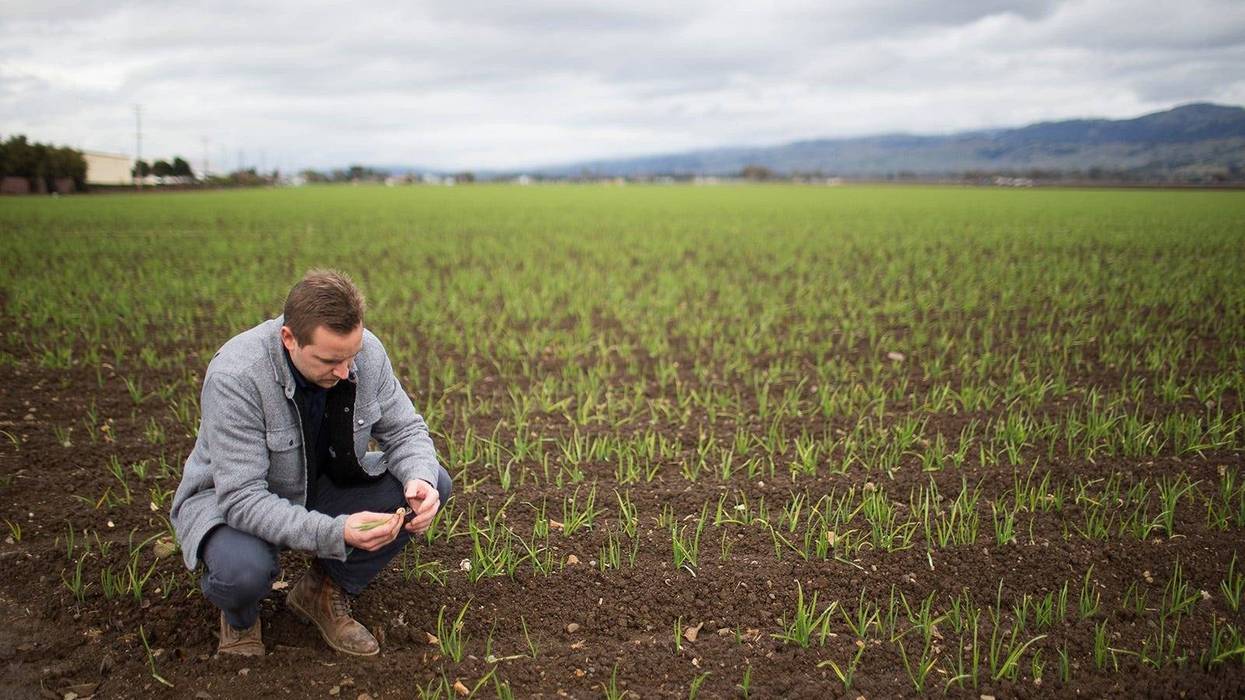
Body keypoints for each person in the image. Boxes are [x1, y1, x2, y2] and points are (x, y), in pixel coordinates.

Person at [170, 269, 451, 657]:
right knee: (241, 573)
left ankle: (322, 590)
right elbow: (243, 500)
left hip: (320, 484)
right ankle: (239, 618)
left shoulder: (363, 353)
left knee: (435, 478)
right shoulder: (237, 376)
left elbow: (405, 431)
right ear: (289, 339)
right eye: (330, 360)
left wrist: (420, 479)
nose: (344, 371)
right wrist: (337, 532)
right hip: (232, 504)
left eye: (350, 356)